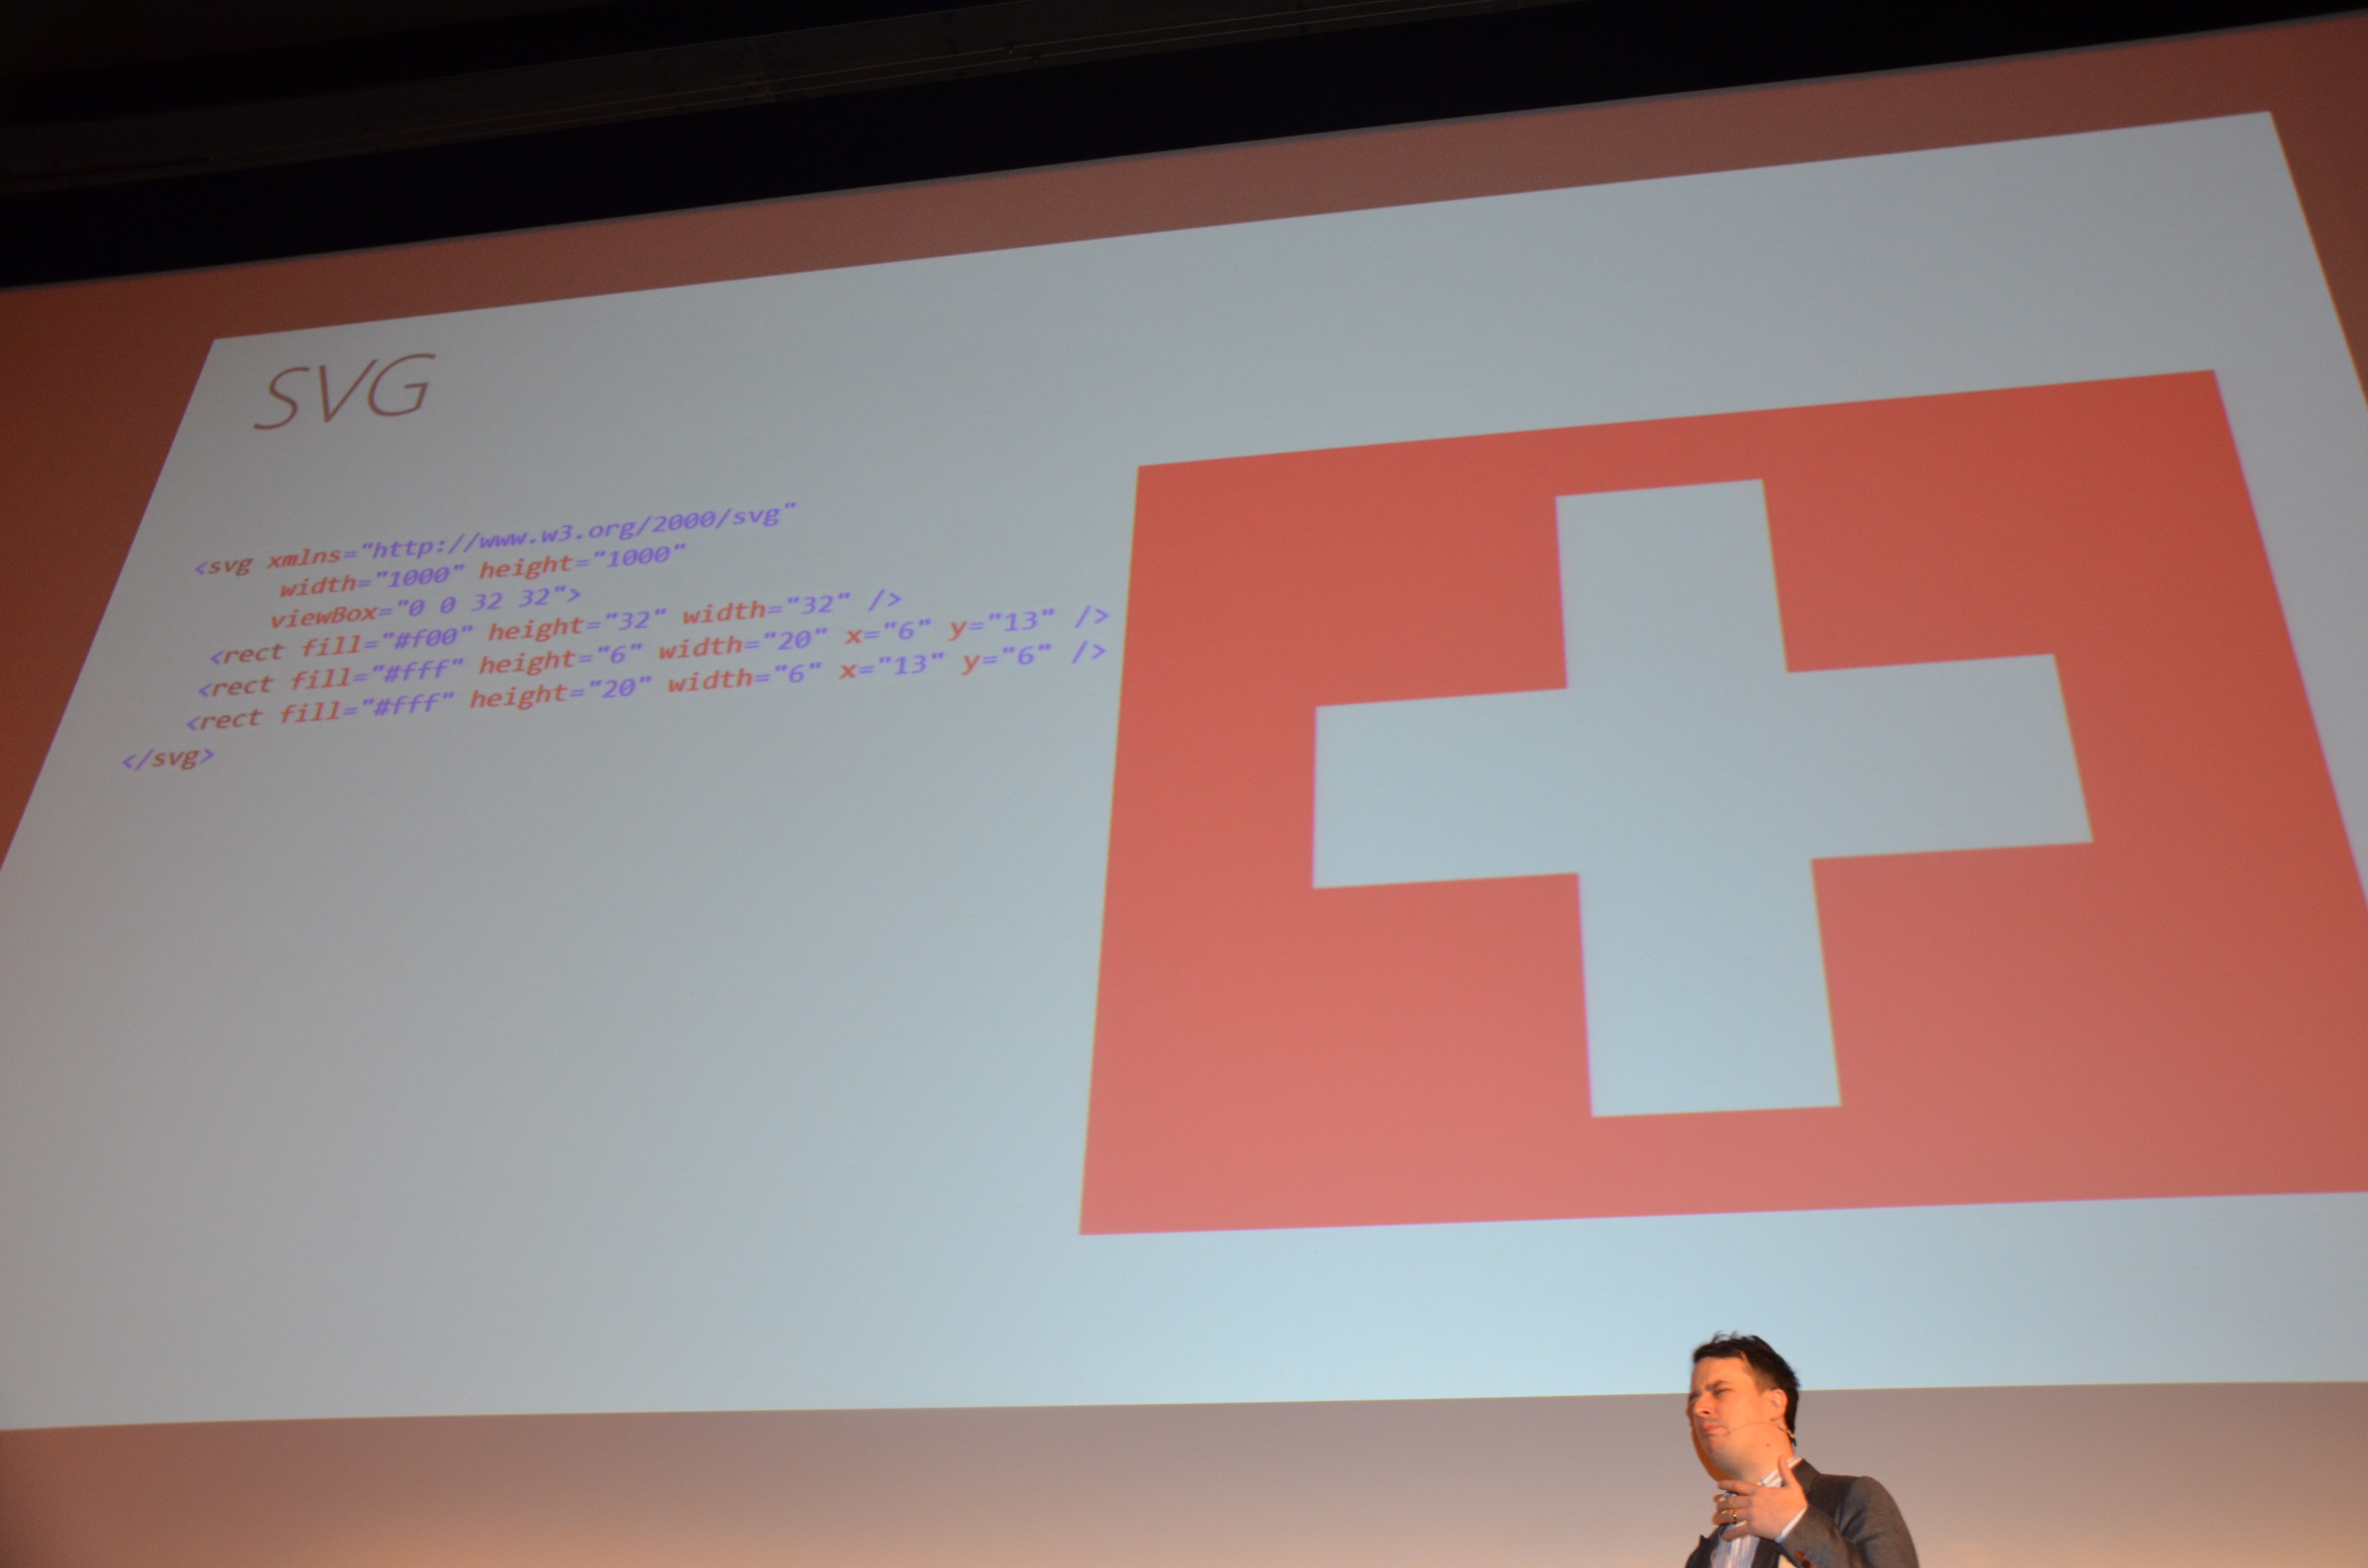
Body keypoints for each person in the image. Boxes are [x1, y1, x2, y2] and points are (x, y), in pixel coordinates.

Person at [1683, 1334, 1918, 1568]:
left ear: (1775, 1404)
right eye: (1695, 1399)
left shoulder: (1852, 1499)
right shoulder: (1704, 1557)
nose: (1699, 1408)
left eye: (1720, 1391)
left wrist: (1795, 1527)